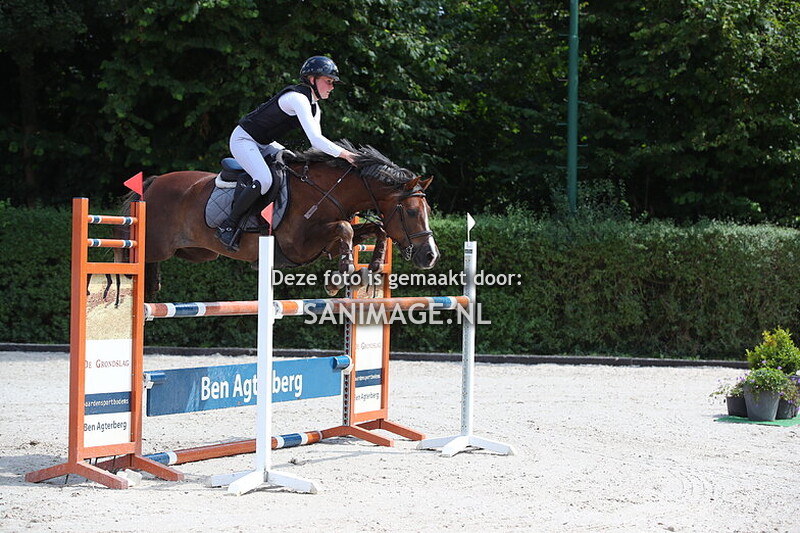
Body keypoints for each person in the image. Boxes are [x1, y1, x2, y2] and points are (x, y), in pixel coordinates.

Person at [216, 55, 358, 251]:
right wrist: (346, 155)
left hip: (264, 143)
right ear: (312, 79)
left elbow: (317, 144)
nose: (332, 86)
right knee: (264, 179)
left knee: (292, 164)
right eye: (329, 81)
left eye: (333, 83)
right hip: (244, 139)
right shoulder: (297, 98)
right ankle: (229, 224)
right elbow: (316, 140)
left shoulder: (314, 106)